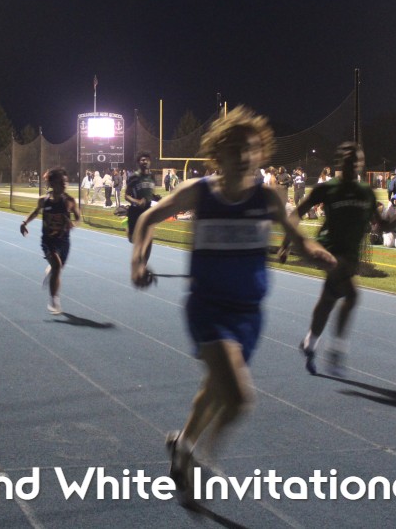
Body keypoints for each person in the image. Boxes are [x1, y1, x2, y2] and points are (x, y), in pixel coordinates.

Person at [130, 107, 334, 501]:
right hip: (208, 310)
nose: (243, 156)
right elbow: (147, 218)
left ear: (261, 154)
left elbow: (298, 239)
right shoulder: (200, 192)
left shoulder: (268, 198)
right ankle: (202, 462)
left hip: (249, 314)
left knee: (214, 389)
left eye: (251, 148)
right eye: (235, 148)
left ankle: (182, 446)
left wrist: (316, 253)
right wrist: (138, 261)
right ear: (217, 155)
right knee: (239, 398)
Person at [294, 142, 380, 376]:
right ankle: (336, 351)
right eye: (348, 160)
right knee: (351, 295)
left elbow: (379, 222)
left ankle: (310, 343)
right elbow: (297, 213)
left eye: (356, 160)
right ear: (340, 162)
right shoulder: (328, 188)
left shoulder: (366, 192)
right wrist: (291, 241)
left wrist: (395, 222)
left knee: (329, 300)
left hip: (351, 255)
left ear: (361, 163)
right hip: (329, 251)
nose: (353, 164)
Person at [20, 167, 81, 315]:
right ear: (53, 183)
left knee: (57, 268)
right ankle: (54, 301)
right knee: (57, 266)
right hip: (48, 241)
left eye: (66, 182)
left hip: (64, 241)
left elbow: (79, 218)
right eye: (61, 182)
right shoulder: (44, 200)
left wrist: (73, 224)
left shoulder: (70, 201)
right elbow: (36, 212)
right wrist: (24, 222)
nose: (65, 184)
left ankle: (51, 269)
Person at [125, 151, 155, 244]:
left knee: (146, 238)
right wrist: (137, 202)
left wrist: (156, 198)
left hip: (147, 210)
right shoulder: (134, 177)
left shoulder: (152, 176)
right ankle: (128, 229)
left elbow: (151, 193)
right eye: (143, 160)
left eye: (147, 160)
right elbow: (126, 196)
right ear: (138, 162)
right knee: (132, 239)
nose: (145, 161)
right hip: (135, 211)